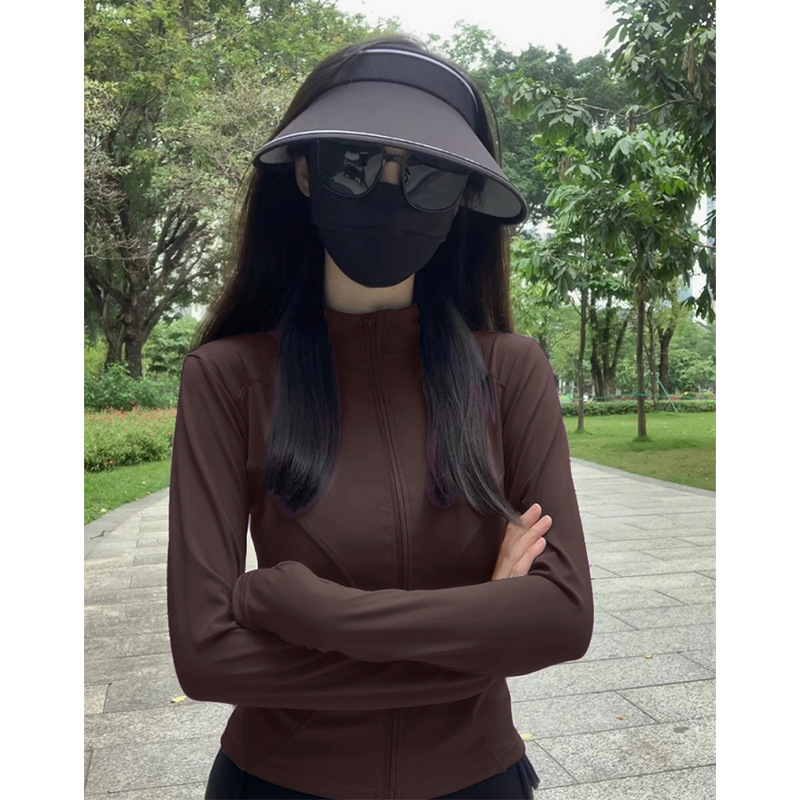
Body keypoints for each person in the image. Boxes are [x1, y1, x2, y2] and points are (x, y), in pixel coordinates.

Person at [166, 34, 594, 800]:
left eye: (427, 175)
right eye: (357, 164)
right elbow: (206, 659)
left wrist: (307, 609)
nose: (390, 193)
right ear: (305, 171)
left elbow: (562, 617)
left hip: (479, 781)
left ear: (461, 199)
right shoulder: (227, 380)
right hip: (276, 783)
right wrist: (481, 634)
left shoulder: (512, 370)